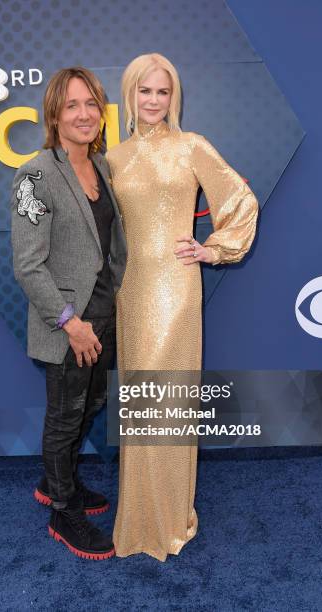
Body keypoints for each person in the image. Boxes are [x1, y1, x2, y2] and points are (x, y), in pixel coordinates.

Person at [106, 53, 259, 561]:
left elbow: (240, 200)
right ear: (130, 95)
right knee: (141, 399)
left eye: (163, 92)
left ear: (174, 97)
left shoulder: (192, 146)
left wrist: (212, 248)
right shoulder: (115, 158)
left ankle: (169, 519)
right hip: (132, 290)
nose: (154, 100)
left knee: (169, 399)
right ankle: (139, 517)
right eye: (145, 91)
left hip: (175, 288)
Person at [10, 67, 127, 560]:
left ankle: (59, 480)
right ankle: (62, 508)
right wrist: (70, 323)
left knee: (92, 403)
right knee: (65, 417)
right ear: (54, 114)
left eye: (91, 104)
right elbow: (28, 265)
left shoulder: (103, 167)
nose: (84, 114)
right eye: (72, 105)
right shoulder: (35, 174)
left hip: (105, 315)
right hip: (69, 326)